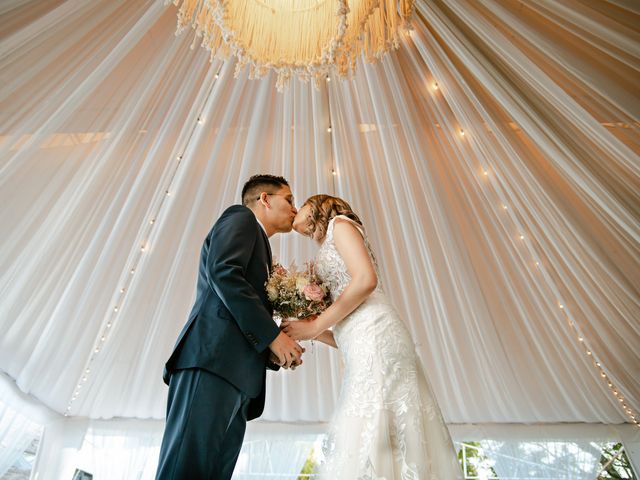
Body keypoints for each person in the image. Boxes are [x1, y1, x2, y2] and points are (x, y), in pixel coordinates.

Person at [283, 194, 463, 479]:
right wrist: (312, 332)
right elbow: (345, 330)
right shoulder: (325, 243)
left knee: (381, 425)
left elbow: (366, 280)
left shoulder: (340, 225)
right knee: (373, 429)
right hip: (358, 341)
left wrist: (315, 326)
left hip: (379, 334)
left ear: (317, 204)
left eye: (299, 207)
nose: (298, 218)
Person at [156, 174, 305, 479]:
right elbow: (223, 271)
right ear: (264, 198)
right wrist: (271, 337)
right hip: (212, 363)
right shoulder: (241, 218)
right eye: (289, 199)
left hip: (238, 377)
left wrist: (272, 348)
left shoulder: (262, 247)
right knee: (185, 469)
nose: (294, 208)